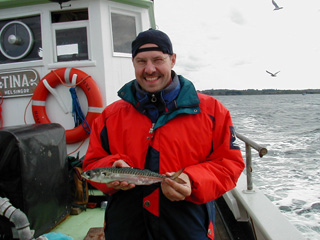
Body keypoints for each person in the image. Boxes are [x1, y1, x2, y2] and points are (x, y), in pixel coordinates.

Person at [83, 28, 245, 240]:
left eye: (158, 60)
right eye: (141, 61)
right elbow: (92, 163)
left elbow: (229, 164)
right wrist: (113, 168)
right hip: (126, 229)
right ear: (133, 63)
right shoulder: (109, 116)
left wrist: (192, 180)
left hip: (187, 228)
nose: (150, 69)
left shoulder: (213, 112)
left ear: (173, 60)